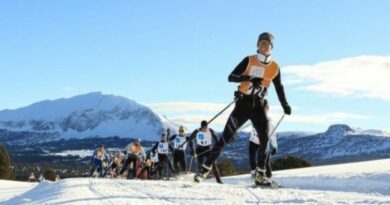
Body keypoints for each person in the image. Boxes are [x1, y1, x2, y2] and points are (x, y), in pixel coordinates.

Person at [194, 32, 291, 185]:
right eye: (261, 43)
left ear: (272, 47)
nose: (263, 46)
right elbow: (231, 77)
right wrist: (248, 78)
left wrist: (285, 104)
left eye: (266, 44)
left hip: (259, 105)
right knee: (225, 138)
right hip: (243, 105)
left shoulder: (275, 67)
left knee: (265, 140)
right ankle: (204, 169)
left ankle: (260, 174)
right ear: (257, 45)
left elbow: (279, 88)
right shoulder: (249, 60)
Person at [248, 100, 278, 179]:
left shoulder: (268, 121)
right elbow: (244, 123)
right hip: (253, 141)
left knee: (265, 160)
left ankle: (268, 177)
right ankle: (254, 173)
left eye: (265, 108)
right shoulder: (253, 117)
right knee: (252, 156)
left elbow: (273, 134)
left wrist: (274, 146)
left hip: (264, 143)